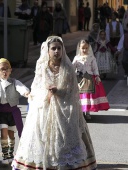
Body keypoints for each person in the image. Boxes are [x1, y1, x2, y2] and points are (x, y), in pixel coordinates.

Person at [11, 36, 97, 170]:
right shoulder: (42, 67)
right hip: (45, 106)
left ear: (62, 50)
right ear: (48, 50)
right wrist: (47, 94)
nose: (56, 51)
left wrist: (59, 91)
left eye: (59, 48)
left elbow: (73, 91)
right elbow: (36, 88)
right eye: (53, 48)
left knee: (66, 139)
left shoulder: (68, 68)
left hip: (64, 107)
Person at [0, 58, 30, 165]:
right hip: (2, 112)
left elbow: (21, 88)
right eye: (2, 69)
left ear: (10, 70)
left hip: (13, 112)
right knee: (3, 133)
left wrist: (26, 93)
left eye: (7, 69)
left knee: (11, 135)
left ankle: (11, 154)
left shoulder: (15, 82)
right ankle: (5, 155)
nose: (4, 71)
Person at [72, 39, 110, 120]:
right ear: (79, 48)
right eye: (83, 48)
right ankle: (81, 112)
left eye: (86, 48)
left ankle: (87, 112)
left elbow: (95, 68)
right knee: (81, 96)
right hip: (79, 79)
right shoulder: (76, 58)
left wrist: (97, 76)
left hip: (89, 79)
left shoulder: (91, 58)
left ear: (89, 47)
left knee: (88, 96)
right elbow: (72, 67)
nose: (84, 50)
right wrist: (72, 73)